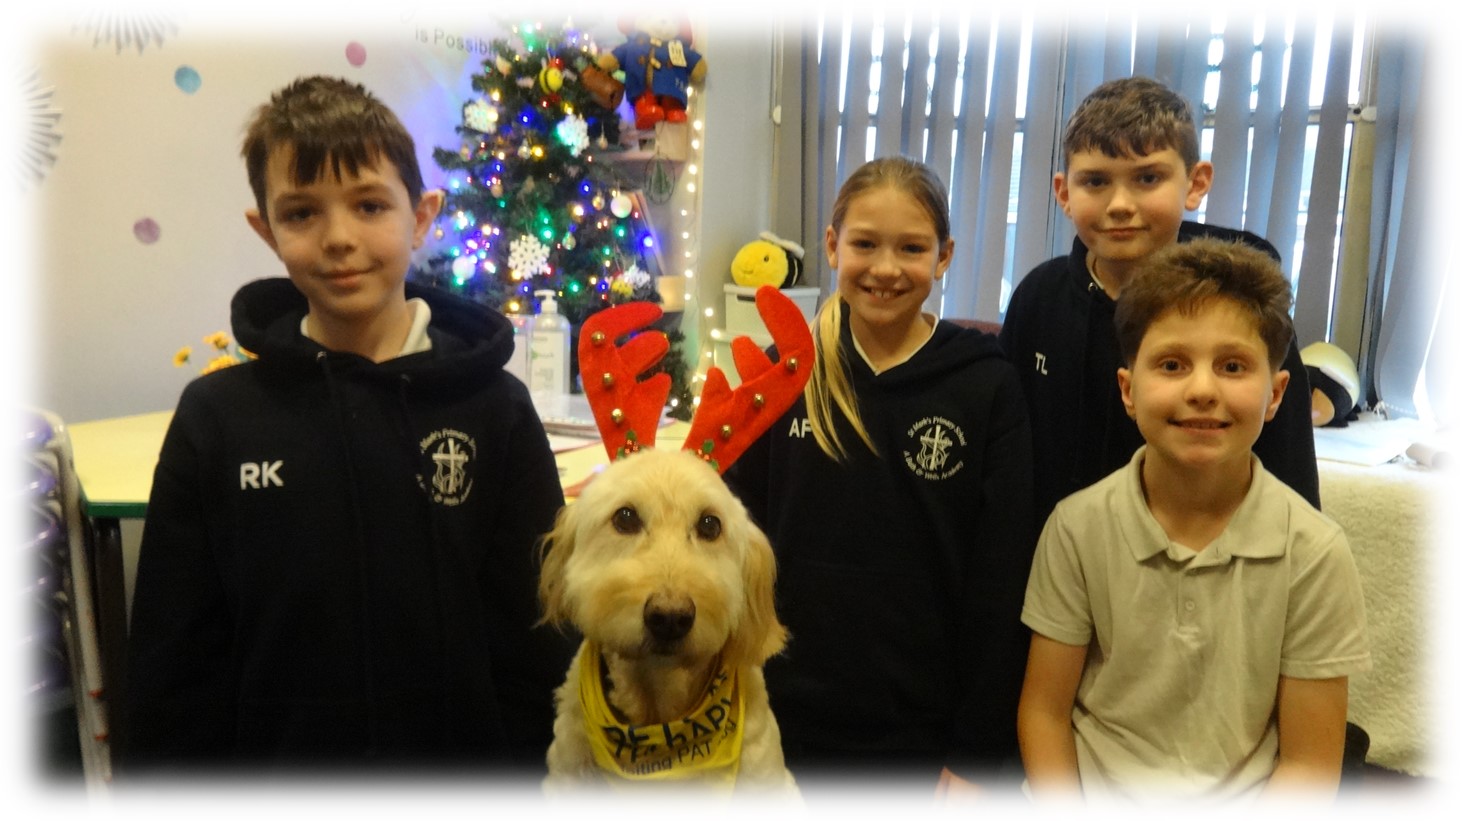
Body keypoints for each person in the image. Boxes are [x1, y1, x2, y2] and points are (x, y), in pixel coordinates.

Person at [119, 75, 573, 776]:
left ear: (421, 216)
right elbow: (171, 661)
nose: (338, 238)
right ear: (267, 230)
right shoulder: (217, 419)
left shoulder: (497, 410)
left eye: (369, 205)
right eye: (302, 213)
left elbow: (539, 638)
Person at [1017, 237, 1370, 803]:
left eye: (1232, 366)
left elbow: (1309, 762)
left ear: (1276, 394)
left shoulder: (1314, 552)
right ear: (1128, 390)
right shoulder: (1076, 528)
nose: (1202, 390)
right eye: (1172, 365)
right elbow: (1043, 713)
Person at [724, 157, 1035, 795]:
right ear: (832, 246)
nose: (886, 268)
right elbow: (731, 539)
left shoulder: (986, 386)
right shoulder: (784, 377)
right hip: (778, 721)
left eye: (912, 248)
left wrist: (977, 750)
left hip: (924, 734)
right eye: (865, 244)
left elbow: (1000, 582)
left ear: (944, 256)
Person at [998, 76, 1320, 531]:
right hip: (1058, 556)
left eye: (1148, 178)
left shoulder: (1244, 306)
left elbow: (1290, 474)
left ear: (1195, 183)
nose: (1120, 204)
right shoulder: (1037, 299)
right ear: (1065, 193)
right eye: (1095, 181)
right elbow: (1007, 453)